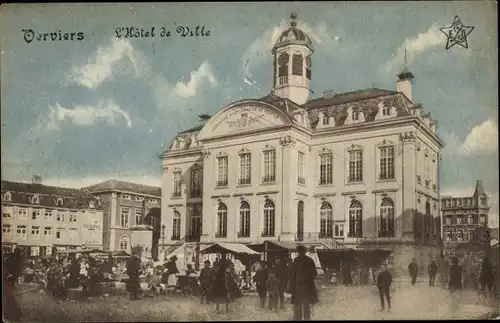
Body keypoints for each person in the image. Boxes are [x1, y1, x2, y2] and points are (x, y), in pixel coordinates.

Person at [290, 245, 318, 321]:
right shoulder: (310, 260)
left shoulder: (295, 261)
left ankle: (298, 319)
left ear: (298, 252)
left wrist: (291, 287)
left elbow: (292, 275)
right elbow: (314, 274)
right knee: (306, 306)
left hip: (297, 287)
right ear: (305, 251)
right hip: (307, 287)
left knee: (298, 306)